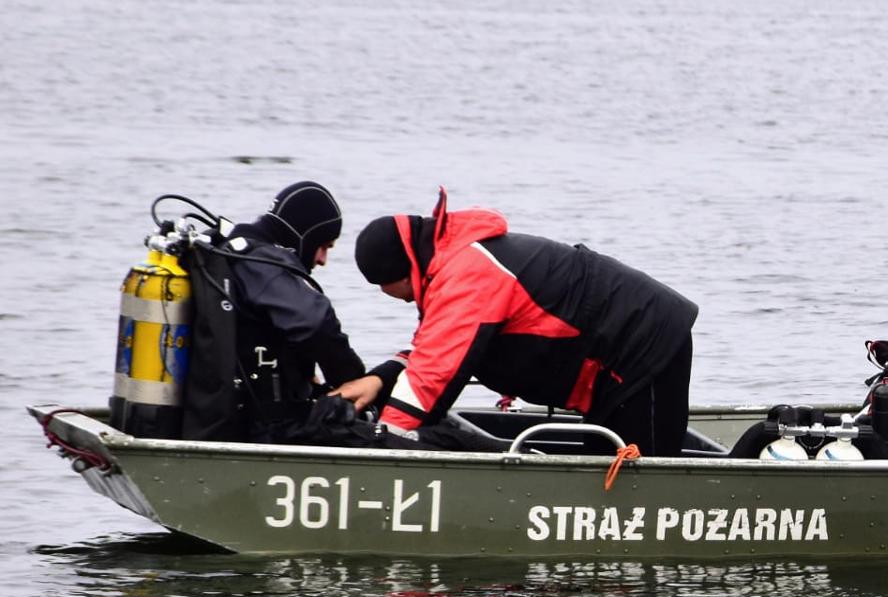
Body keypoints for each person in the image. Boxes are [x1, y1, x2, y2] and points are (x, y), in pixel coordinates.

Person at [336, 189, 700, 457]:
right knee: (600, 467)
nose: (387, 294)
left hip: (644, 345)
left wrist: (378, 443)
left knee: (642, 475)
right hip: (610, 368)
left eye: (381, 284)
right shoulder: (452, 265)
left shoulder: (467, 274)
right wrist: (380, 378)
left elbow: (431, 378)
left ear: (403, 270)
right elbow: (435, 349)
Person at [181, 180, 369, 444]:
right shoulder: (259, 263)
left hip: (216, 419)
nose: (322, 260)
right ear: (304, 235)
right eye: (324, 245)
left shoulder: (226, 251)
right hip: (268, 430)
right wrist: (353, 381)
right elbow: (315, 323)